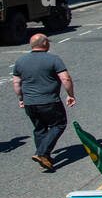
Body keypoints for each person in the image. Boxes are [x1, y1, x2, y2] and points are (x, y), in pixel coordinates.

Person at [11, 34, 74, 172]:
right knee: (59, 124)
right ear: (45, 43)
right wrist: (70, 95)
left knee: (39, 128)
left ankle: (44, 158)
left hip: (30, 102)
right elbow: (66, 79)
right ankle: (42, 153)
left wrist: (21, 98)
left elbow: (16, 83)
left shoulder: (20, 60)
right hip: (49, 100)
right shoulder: (53, 59)